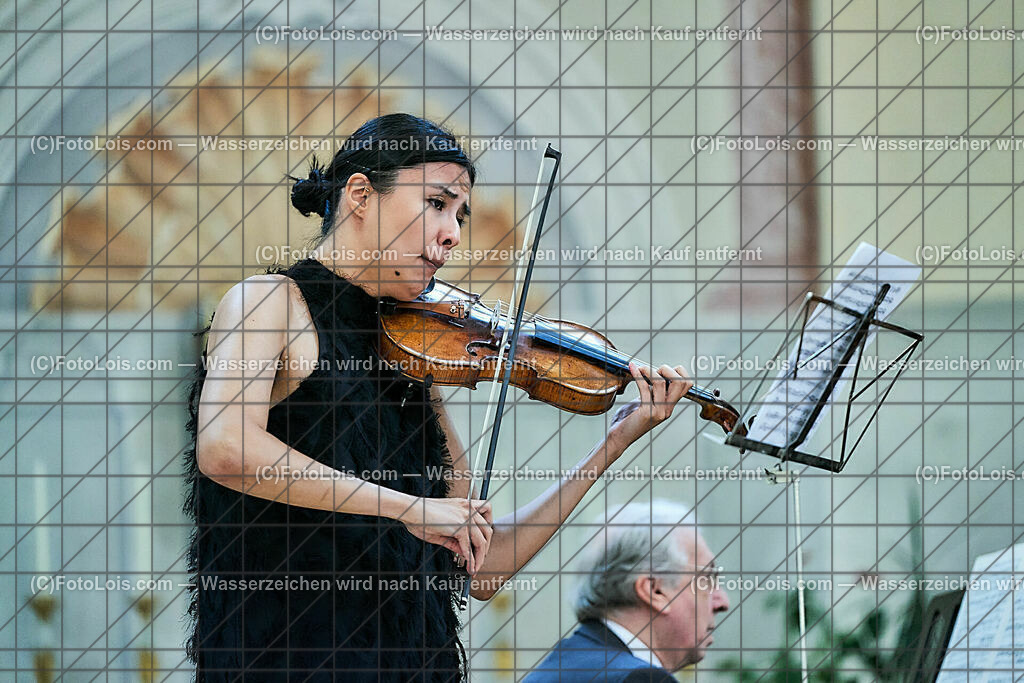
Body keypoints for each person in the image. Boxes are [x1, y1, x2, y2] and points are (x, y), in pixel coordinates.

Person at [182, 113, 694, 681]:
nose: (452, 232)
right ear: (360, 196)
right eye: (436, 203)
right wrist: (410, 508)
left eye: (459, 214)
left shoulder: (414, 356)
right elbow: (226, 448)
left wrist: (614, 440)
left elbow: (484, 567)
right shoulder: (268, 303)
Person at [525, 500, 730, 682]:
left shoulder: (555, 669)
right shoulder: (642, 678)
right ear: (654, 590)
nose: (722, 602)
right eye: (706, 579)